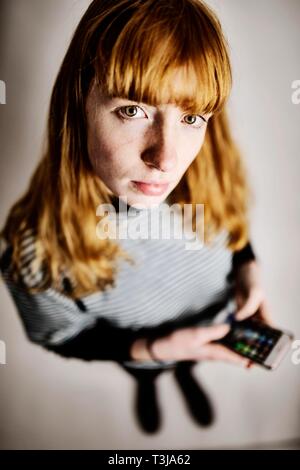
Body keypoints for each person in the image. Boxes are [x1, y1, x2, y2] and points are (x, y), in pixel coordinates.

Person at [0, 0, 272, 433]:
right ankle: (152, 382)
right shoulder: (32, 253)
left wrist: (247, 266)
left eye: (190, 117)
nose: (166, 158)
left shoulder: (209, 176)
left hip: (214, 325)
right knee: (150, 370)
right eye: (133, 110)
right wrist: (154, 348)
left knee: (189, 363)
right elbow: (65, 337)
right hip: (140, 353)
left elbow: (230, 224)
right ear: (79, 103)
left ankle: (185, 372)